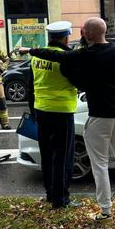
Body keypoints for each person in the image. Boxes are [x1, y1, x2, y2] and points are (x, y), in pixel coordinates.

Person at [21, 17, 115, 222]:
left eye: (84, 31)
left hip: (98, 116)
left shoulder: (86, 54)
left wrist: (31, 51)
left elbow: (55, 56)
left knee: (100, 164)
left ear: (91, 34)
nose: (81, 34)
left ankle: (106, 210)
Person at [25, 21, 80, 209]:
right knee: (63, 158)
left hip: (41, 111)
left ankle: (50, 193)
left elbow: (31, 86)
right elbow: (78, 82)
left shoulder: (36, 57)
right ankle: (61, 199)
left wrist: (33, 111)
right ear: (66, 37)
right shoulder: (65, 58)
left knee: (47, 155)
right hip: (62, 112)